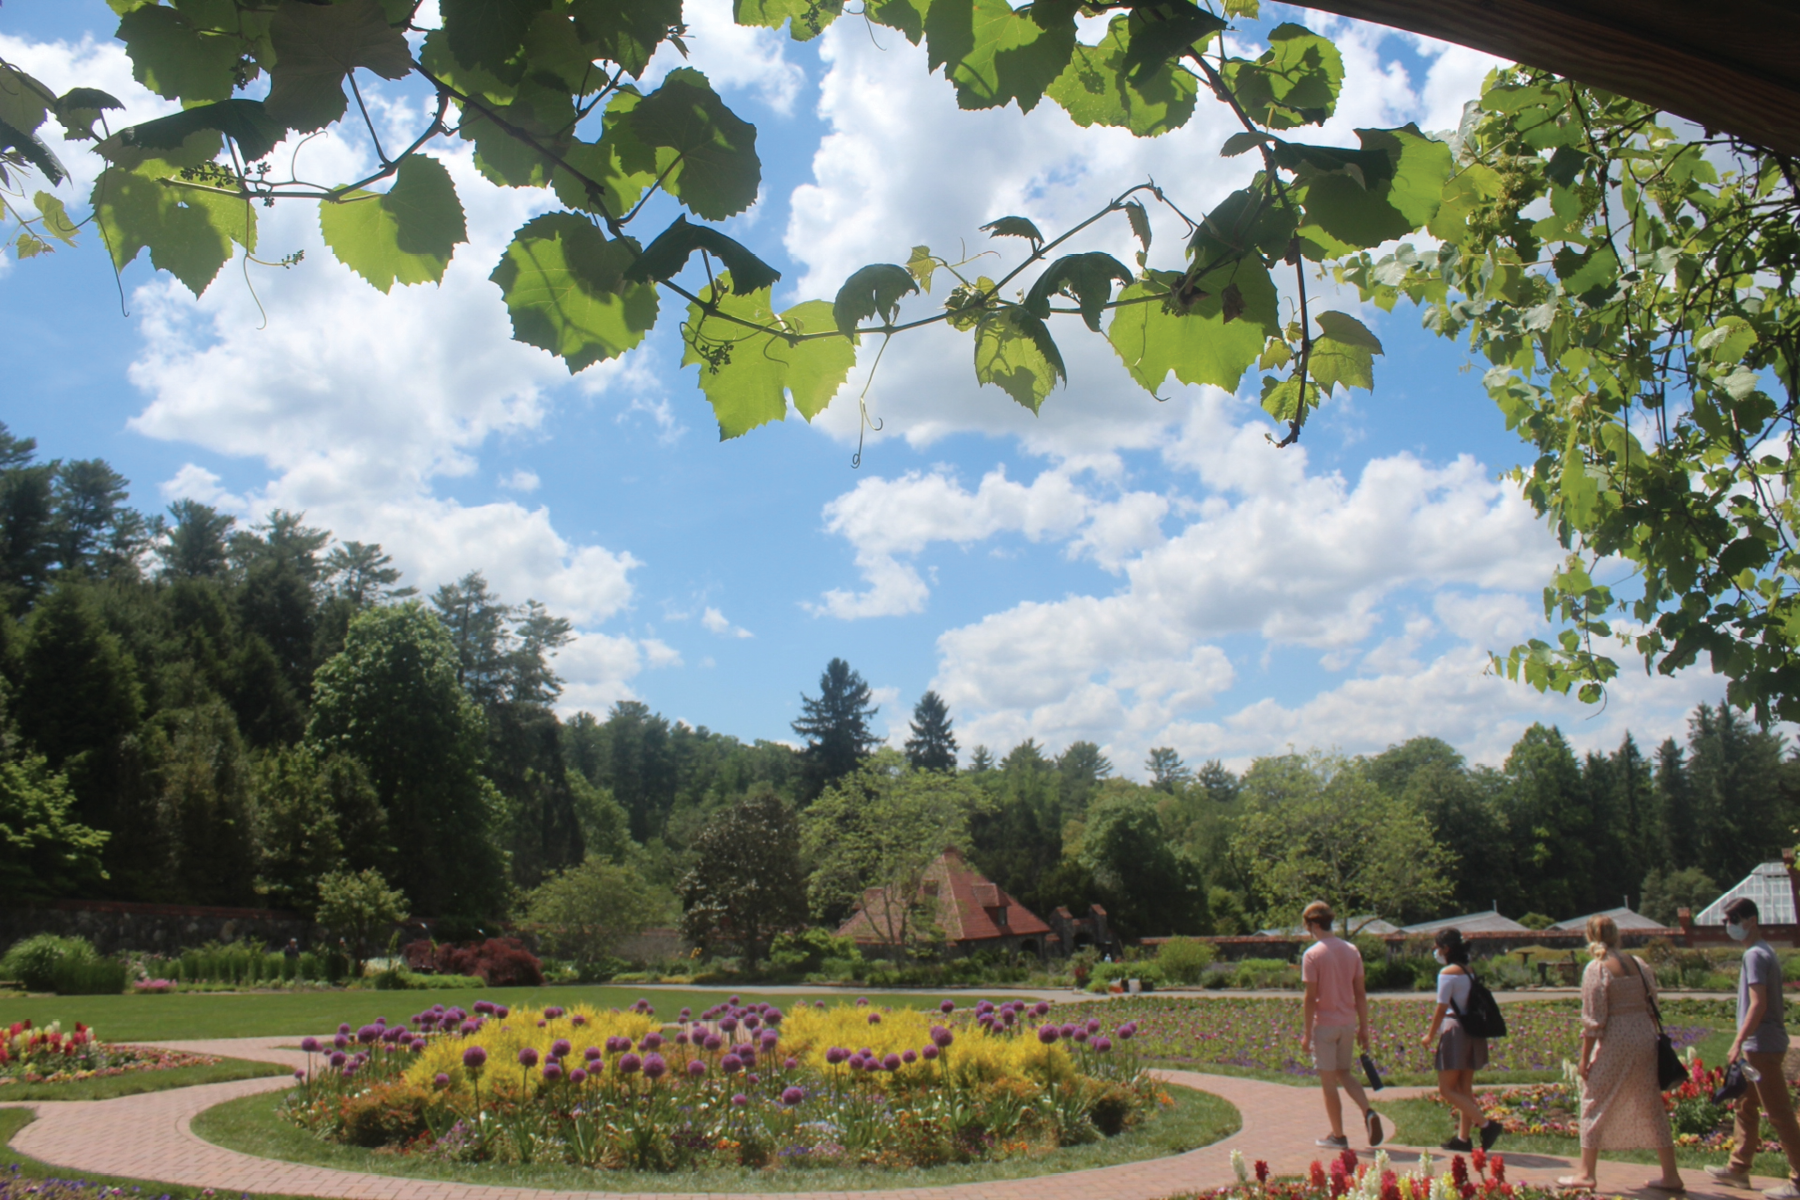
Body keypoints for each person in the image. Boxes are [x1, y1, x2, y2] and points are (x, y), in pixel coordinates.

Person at [1555, 914, 1683, 1192]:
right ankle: (1671, 1174)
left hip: (1616, 1037)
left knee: (1594, 1099)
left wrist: (1585, 1057)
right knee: (1651, 1103)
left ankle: (1587, 1173)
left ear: (1590, 936)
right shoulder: (1638, 964)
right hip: (1644, 1036)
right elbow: (1652, 1005)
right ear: (1617, 935)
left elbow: (1594, 1018)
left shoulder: (1597, 968)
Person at [1706, 898, 1800, 1198]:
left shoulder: (1755, 956)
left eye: (1733, 919)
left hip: (1761, 1047)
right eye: (1726, 920)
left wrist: (1737, 1042)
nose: (1728, 926)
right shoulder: (1760, 952)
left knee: (1779, 1113)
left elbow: (1757, 1004)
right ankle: (1738, 1168)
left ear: (1751, 920)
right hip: (1758, 1046)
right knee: (1745, 1106)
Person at [1299, 900, 1384, 1149]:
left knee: (1329, 1083)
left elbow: (1310, 997)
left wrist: (1306, 1034)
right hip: (1348, 1023)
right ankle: (1368, 1111)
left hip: (1325, 1025)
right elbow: (1360, 992)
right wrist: (1364, 1027)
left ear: (1314, 924)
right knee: (1344, 1072)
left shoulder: (1312, 954)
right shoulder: (1352, 950)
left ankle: (1338, 1135)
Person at [1420, 926, 1503, 1152]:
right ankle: (1463, 1139)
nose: (1435, 952)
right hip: (1472, 1030)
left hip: (1455, 1029)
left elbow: (1441, 1007)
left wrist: (1429, 1035)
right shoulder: (1469, 970)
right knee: (1464, 1088)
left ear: (1446, 949)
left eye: (1437, 947)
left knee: (1446, 1089)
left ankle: (1486, 1125)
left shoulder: (1447, 973)